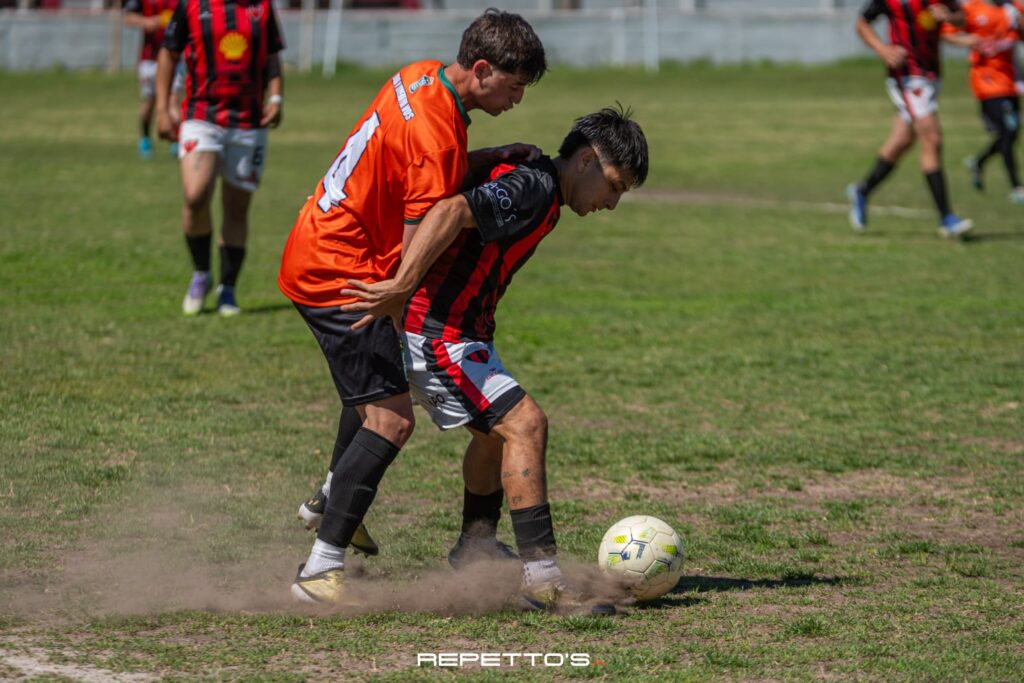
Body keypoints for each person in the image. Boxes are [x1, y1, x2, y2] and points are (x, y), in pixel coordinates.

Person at [278, 9, 547, 605]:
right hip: (341, 274)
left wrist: (490, 155)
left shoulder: (419, 76)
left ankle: (329, 498)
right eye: (513, 86)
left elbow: (423, 169)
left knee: (378, 393)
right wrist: (401, 292)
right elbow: (422, 229)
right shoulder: (438, 132)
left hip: (318, 243)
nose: (517, 99)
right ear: (482, 69)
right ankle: (318, 571)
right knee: (393, 419)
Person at [335, 106, 648, 615]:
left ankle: (474, 547)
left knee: (493, 436)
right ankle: (544, 580)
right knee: (526, 425)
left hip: (464, 332)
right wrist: (402, 284)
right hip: (438, 333)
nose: (611, 203)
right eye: (613, 186)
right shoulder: (535, 188)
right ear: (587, 160)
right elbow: (450, 211)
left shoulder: (540, 185)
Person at [155, 0, 285, 316]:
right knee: (195, 196)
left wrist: (276, 97)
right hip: (202, 115)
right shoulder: (191, 6)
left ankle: (228, 288)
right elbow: (168, 54)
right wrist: (162, 108)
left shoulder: (262, 7)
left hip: (249, 121)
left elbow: (272, 55)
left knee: (237, 208)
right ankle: (201, 272)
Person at [846, 0, 974, 238]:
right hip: (906, 75)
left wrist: (949, 17)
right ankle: (947, 219)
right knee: (932, 138)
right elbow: (862, 23)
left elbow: (963, 19)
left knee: (902, 141)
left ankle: (862, 191)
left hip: (931, 74)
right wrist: (883, 50)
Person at [944, 0, 1024, 203]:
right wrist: (968, 41)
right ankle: (1016, 186)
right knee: (1007, 131)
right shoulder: (972, 9)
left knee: (1012, 133)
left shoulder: (1014, 9)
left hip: (1010, 80)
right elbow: (947, 33)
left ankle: (978, 162)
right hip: (986, 82)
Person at [123, 0, 184, 160]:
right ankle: (145, 139)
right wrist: (148, 22)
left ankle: (176, 140)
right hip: (149, 59)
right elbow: (128, 18)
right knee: (150, 102)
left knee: (173, 100)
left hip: (174, 58)